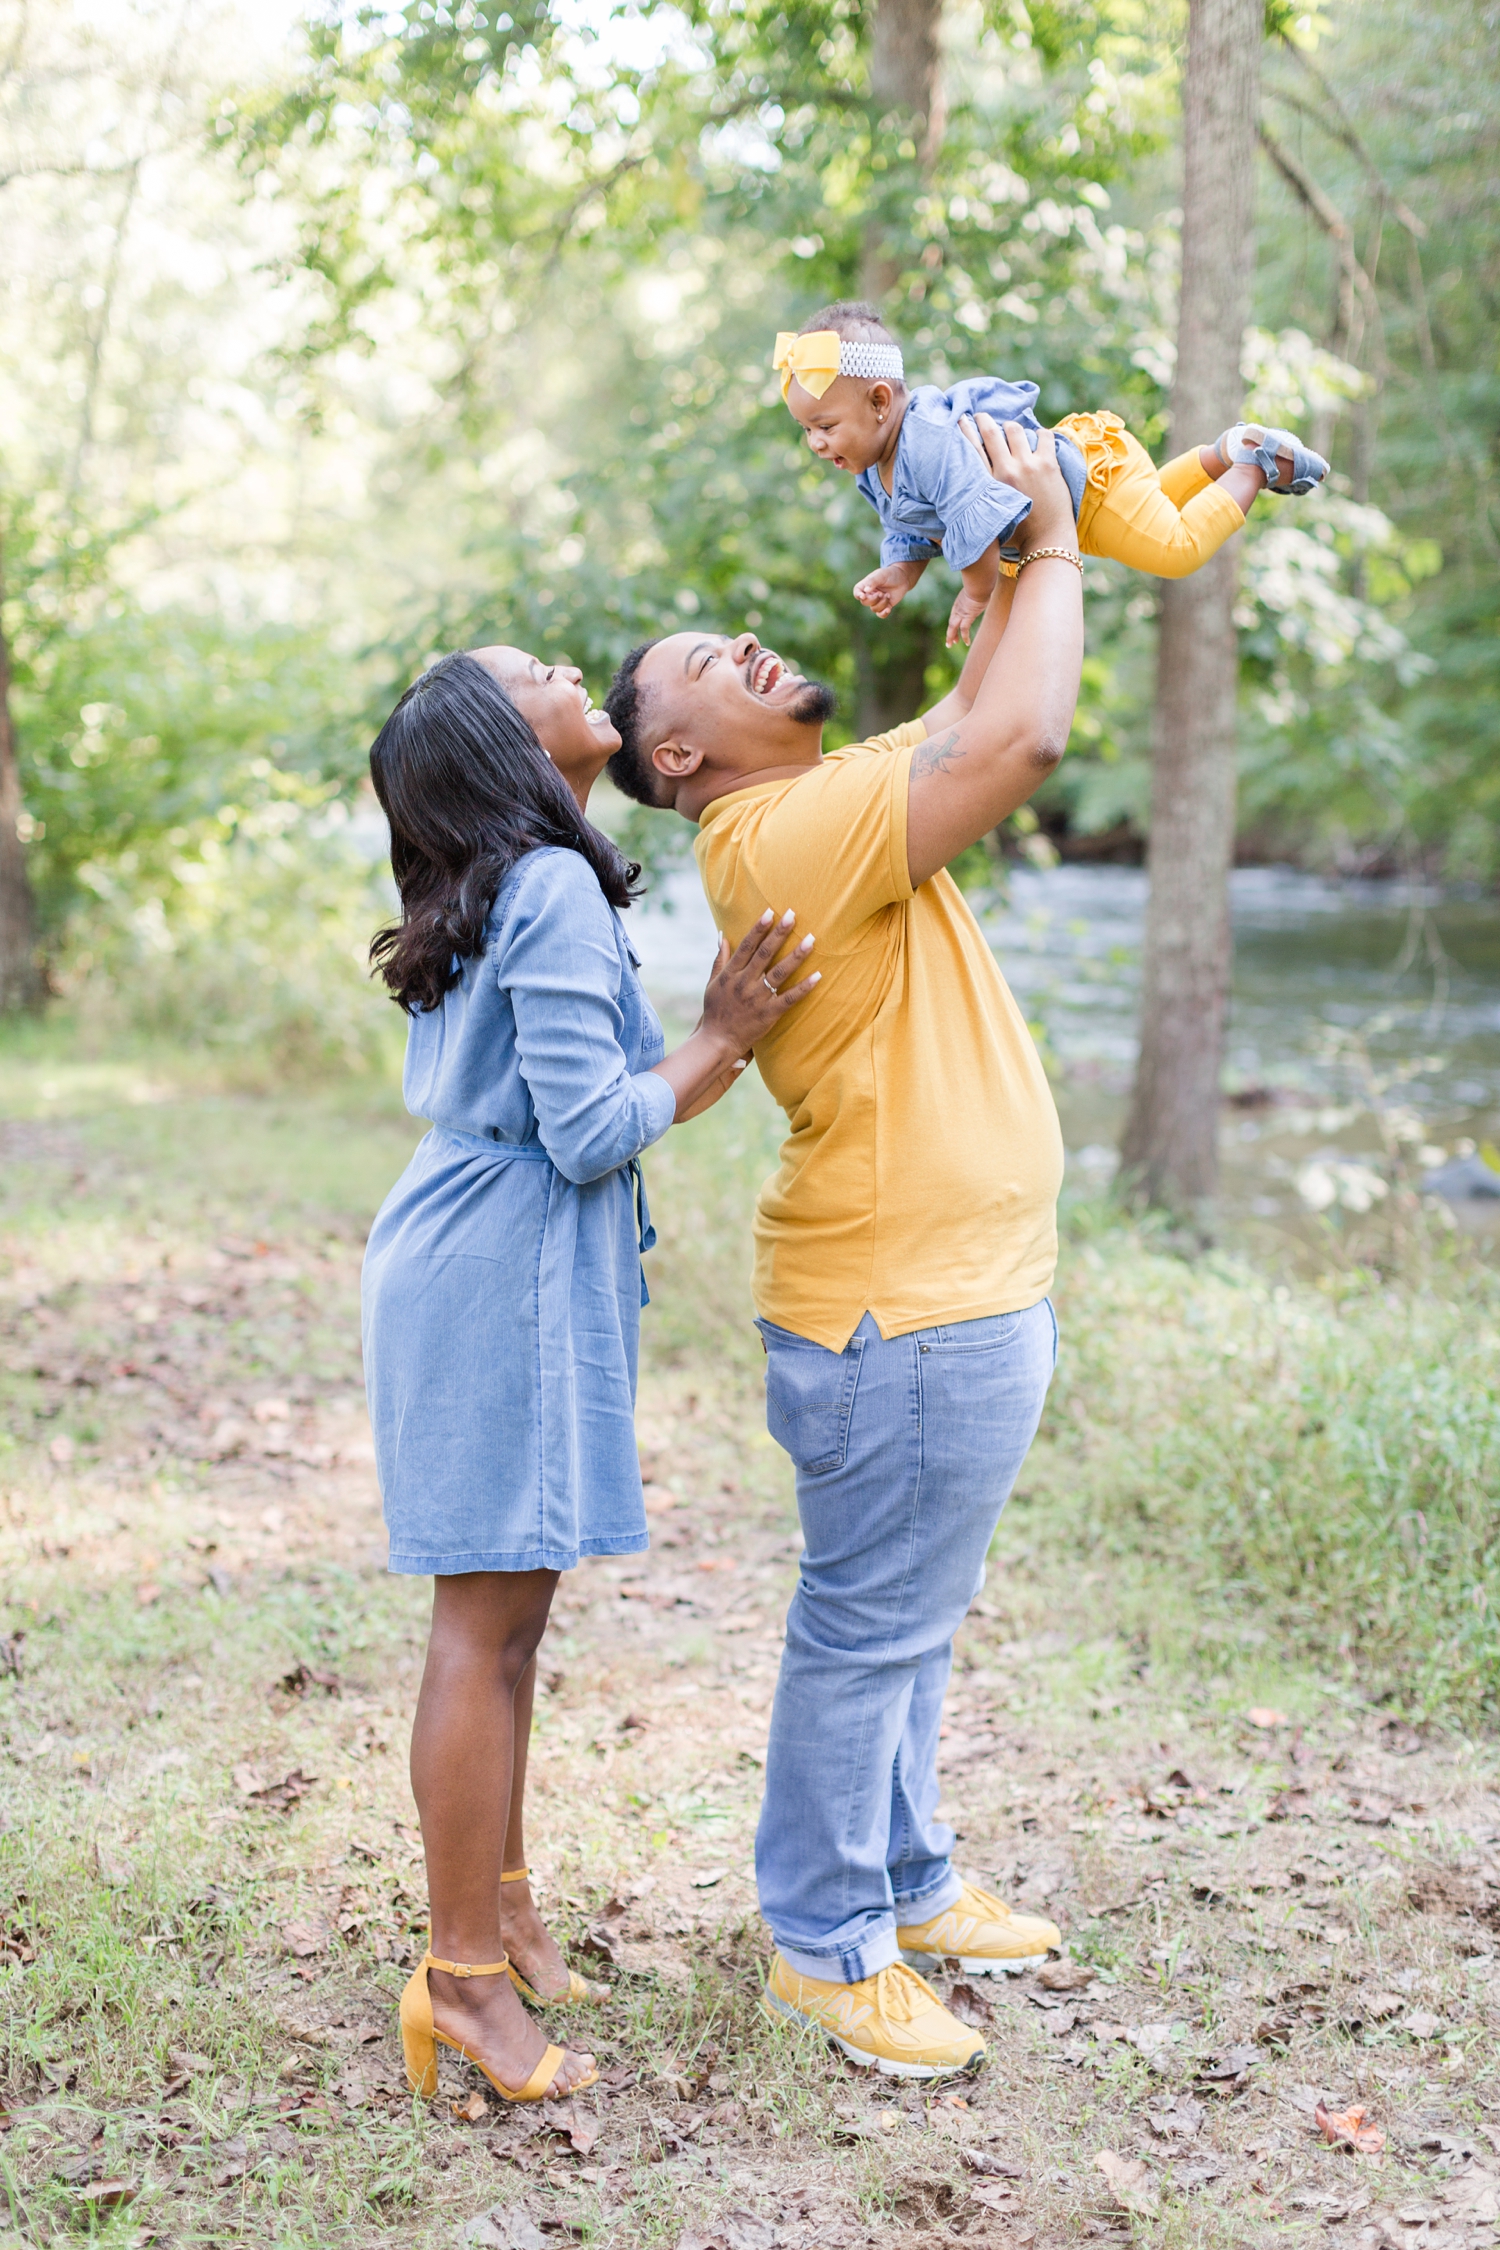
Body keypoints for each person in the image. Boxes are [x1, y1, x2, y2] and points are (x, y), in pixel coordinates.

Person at [602, 415, 1084, 2082]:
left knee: (910, 1613)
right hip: (899, 1309)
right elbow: (1019, 740)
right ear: (678, 760)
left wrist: (1012, 546)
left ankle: (908, 1877)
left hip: (950, 1293)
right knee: (872, 1619)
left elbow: (971, 708)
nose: (740, 642)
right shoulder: (779, 836)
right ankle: (824, 1937)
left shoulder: (827, 797)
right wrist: (1061, 549)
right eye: (698, 667)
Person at [361, 646, 818, 2107]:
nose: (576, 668)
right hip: (500, 1264)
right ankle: (463, 1982)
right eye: (540, 671)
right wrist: (723, 1037)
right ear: (514, 742)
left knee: (512, 1617)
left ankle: (501, 1914)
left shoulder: (511, 875)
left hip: (478, 1247)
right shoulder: (547, 885)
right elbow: (587, 1127)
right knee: (484, 1625)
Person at [775, 299, 1329, 647]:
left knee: (1175, 549)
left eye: (824, 425)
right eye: (805, 430)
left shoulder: (926, 442)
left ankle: (1253, 461)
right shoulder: (875, 465)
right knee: (1153, 504)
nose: (816, 443)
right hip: (1078, 494)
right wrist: (900, 571)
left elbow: (970, 514)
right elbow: (913, 528)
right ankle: (1218, 454)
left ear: (878, 401)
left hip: (1087, 489)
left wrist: (975, 592)